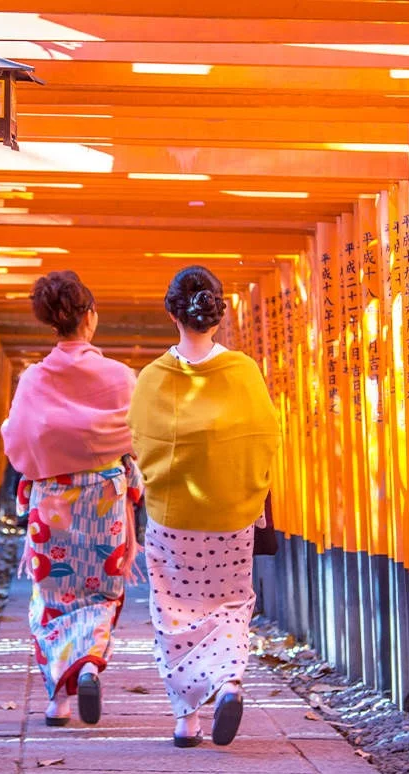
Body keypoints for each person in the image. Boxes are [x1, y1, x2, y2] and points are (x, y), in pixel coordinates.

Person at [128, 266, 282, 747]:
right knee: (231, 604)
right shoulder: (243, 371)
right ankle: (230, 681)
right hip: (232, 516)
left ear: (172, 312)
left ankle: (186, 721)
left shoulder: (154, 378)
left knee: (174, 612)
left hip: (174, 519)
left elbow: (138, 444)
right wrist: (248, 492)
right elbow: (265, 440)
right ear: (218, 313)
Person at [1, 271, 143, 727]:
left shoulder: (33, 380)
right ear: (90, 317)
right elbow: (139, 438)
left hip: (53, 501)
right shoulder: (121, 378)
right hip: (105, 500)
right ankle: (88, 662)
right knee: (102, 591)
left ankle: (57, 700)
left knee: (52, 595)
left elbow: (16, 441)